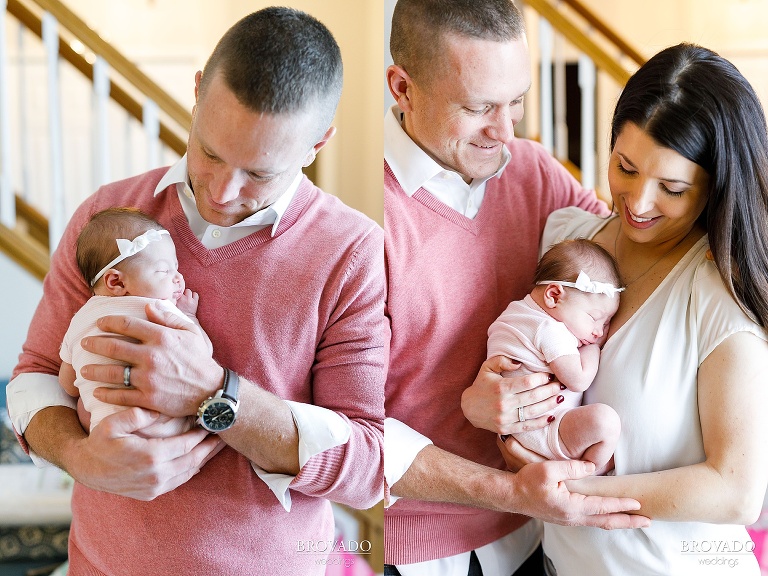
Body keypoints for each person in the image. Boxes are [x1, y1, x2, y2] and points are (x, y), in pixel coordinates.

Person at [7, 7, 385, 575]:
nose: (223, 190)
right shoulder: (109, 219)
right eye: (208, 151)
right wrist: (80, 457)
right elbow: (34, 376)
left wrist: (215, 392)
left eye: (259, 173)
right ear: (196, 93)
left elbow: (367, 468)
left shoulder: (353, 253)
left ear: (319, 142)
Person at [469, 43, 768, 575]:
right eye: (624, 167)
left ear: (714, 187)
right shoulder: (566, 238)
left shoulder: (720, 289)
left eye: (672, 188)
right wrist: (494, 405)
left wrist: (571, 492)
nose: (638, 202)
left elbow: (736, 492)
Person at [383, 1, 648, 575]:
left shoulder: (534, 172)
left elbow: (632, 262)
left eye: (518, 100)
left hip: (537, 539)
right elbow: (342, 426)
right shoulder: (356, 211)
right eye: (479, 107)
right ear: (402, 88)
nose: (506, 132)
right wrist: (476, 422)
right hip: (415, 551)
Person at [60, 208, 209, 437]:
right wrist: (189, 317)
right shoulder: (159, 309)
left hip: (105, 432)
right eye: (164, 270)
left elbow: (68, 384)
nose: (178, 278)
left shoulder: (79, 320)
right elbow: (202, 355)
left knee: (83, 405)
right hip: (160, 428)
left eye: (176, 268)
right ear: (116, 282)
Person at [487, 239, 622, 473]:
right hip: (543, 431)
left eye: (607, 323)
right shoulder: (547, 329)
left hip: (518, 430)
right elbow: (578, 380)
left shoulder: (516, 314)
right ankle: (589, 473)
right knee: (605, 422)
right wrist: (594, 348)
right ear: (554, 296)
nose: (599, 331)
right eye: (594, 317)